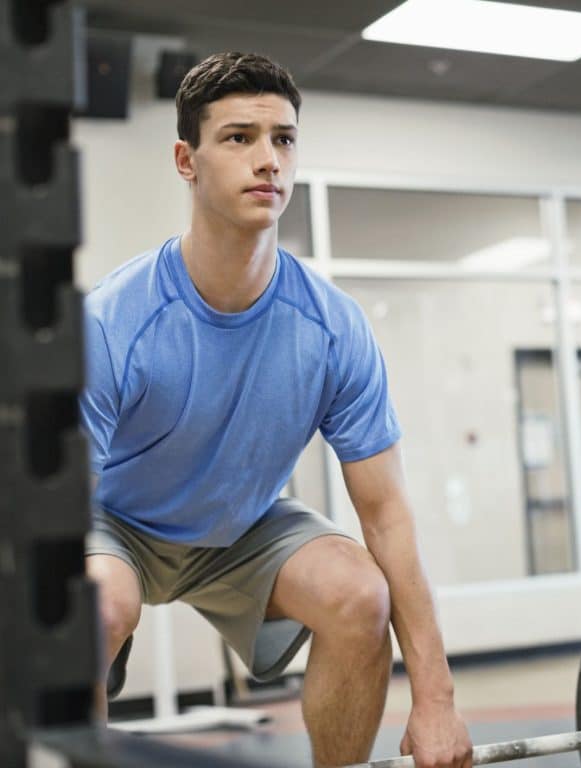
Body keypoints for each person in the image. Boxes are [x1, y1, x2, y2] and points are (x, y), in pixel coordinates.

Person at [80, 52, 473, 768]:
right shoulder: (115, 320)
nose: (268, 160)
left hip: (242, 523)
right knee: (93, 605)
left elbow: (385, 514)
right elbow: (51, 511)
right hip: (120, 525)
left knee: (360, 595)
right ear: (185, 160)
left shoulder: (331, 325)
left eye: (284, 139)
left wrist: (437, 700)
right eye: (238, 138)